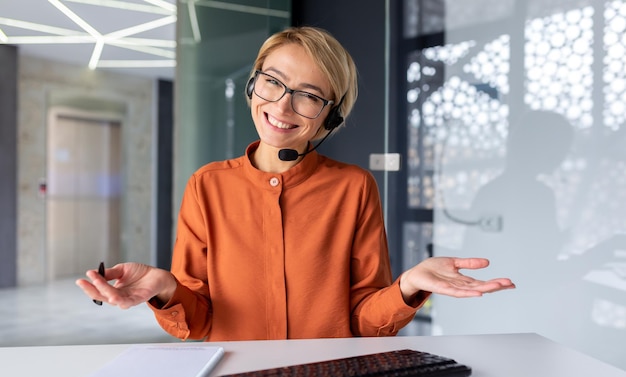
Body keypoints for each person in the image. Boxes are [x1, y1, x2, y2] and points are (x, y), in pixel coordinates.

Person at [76, 26, 515, 341]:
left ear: (331, 115)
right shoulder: (206, 185)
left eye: (308, 94)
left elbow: (363, 321)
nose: (282, 105)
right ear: (254, 84)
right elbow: (198, 323)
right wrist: (165, 287)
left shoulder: (354, 188)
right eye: (273, 82)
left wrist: (408, 285)